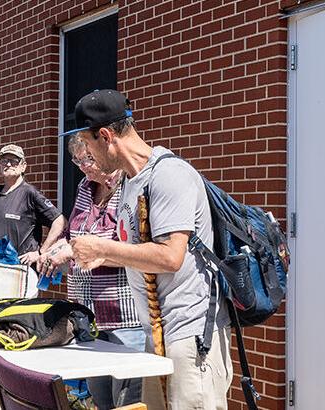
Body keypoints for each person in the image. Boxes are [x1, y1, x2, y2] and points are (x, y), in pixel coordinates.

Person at [67, 90, 232, 410]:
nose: (86, 156)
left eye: (87, 145)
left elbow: (171, 256)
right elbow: (137, 252)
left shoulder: (169, 174)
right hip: (156, 336)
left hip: (190, 336)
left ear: (105, 136)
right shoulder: (130, 182)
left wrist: (103, 246)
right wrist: (103, 254)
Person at [37, 135, 145, 409]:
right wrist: (56, 249)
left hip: (124, 315)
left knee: (127, 401)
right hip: (88, 313)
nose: (83, 166)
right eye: (78, 160)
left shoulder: (129, 188)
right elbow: (75, 234)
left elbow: (130, 246)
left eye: (89, 158)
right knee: (100, 398)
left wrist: (74, 251)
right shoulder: (85, 188)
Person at [0, 144, 66, 265]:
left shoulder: (29, 193)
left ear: (23, 166)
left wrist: (40, 253)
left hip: (21, 271)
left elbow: (60, 222)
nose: (8, 164)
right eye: (4, 161)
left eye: (14, 161)